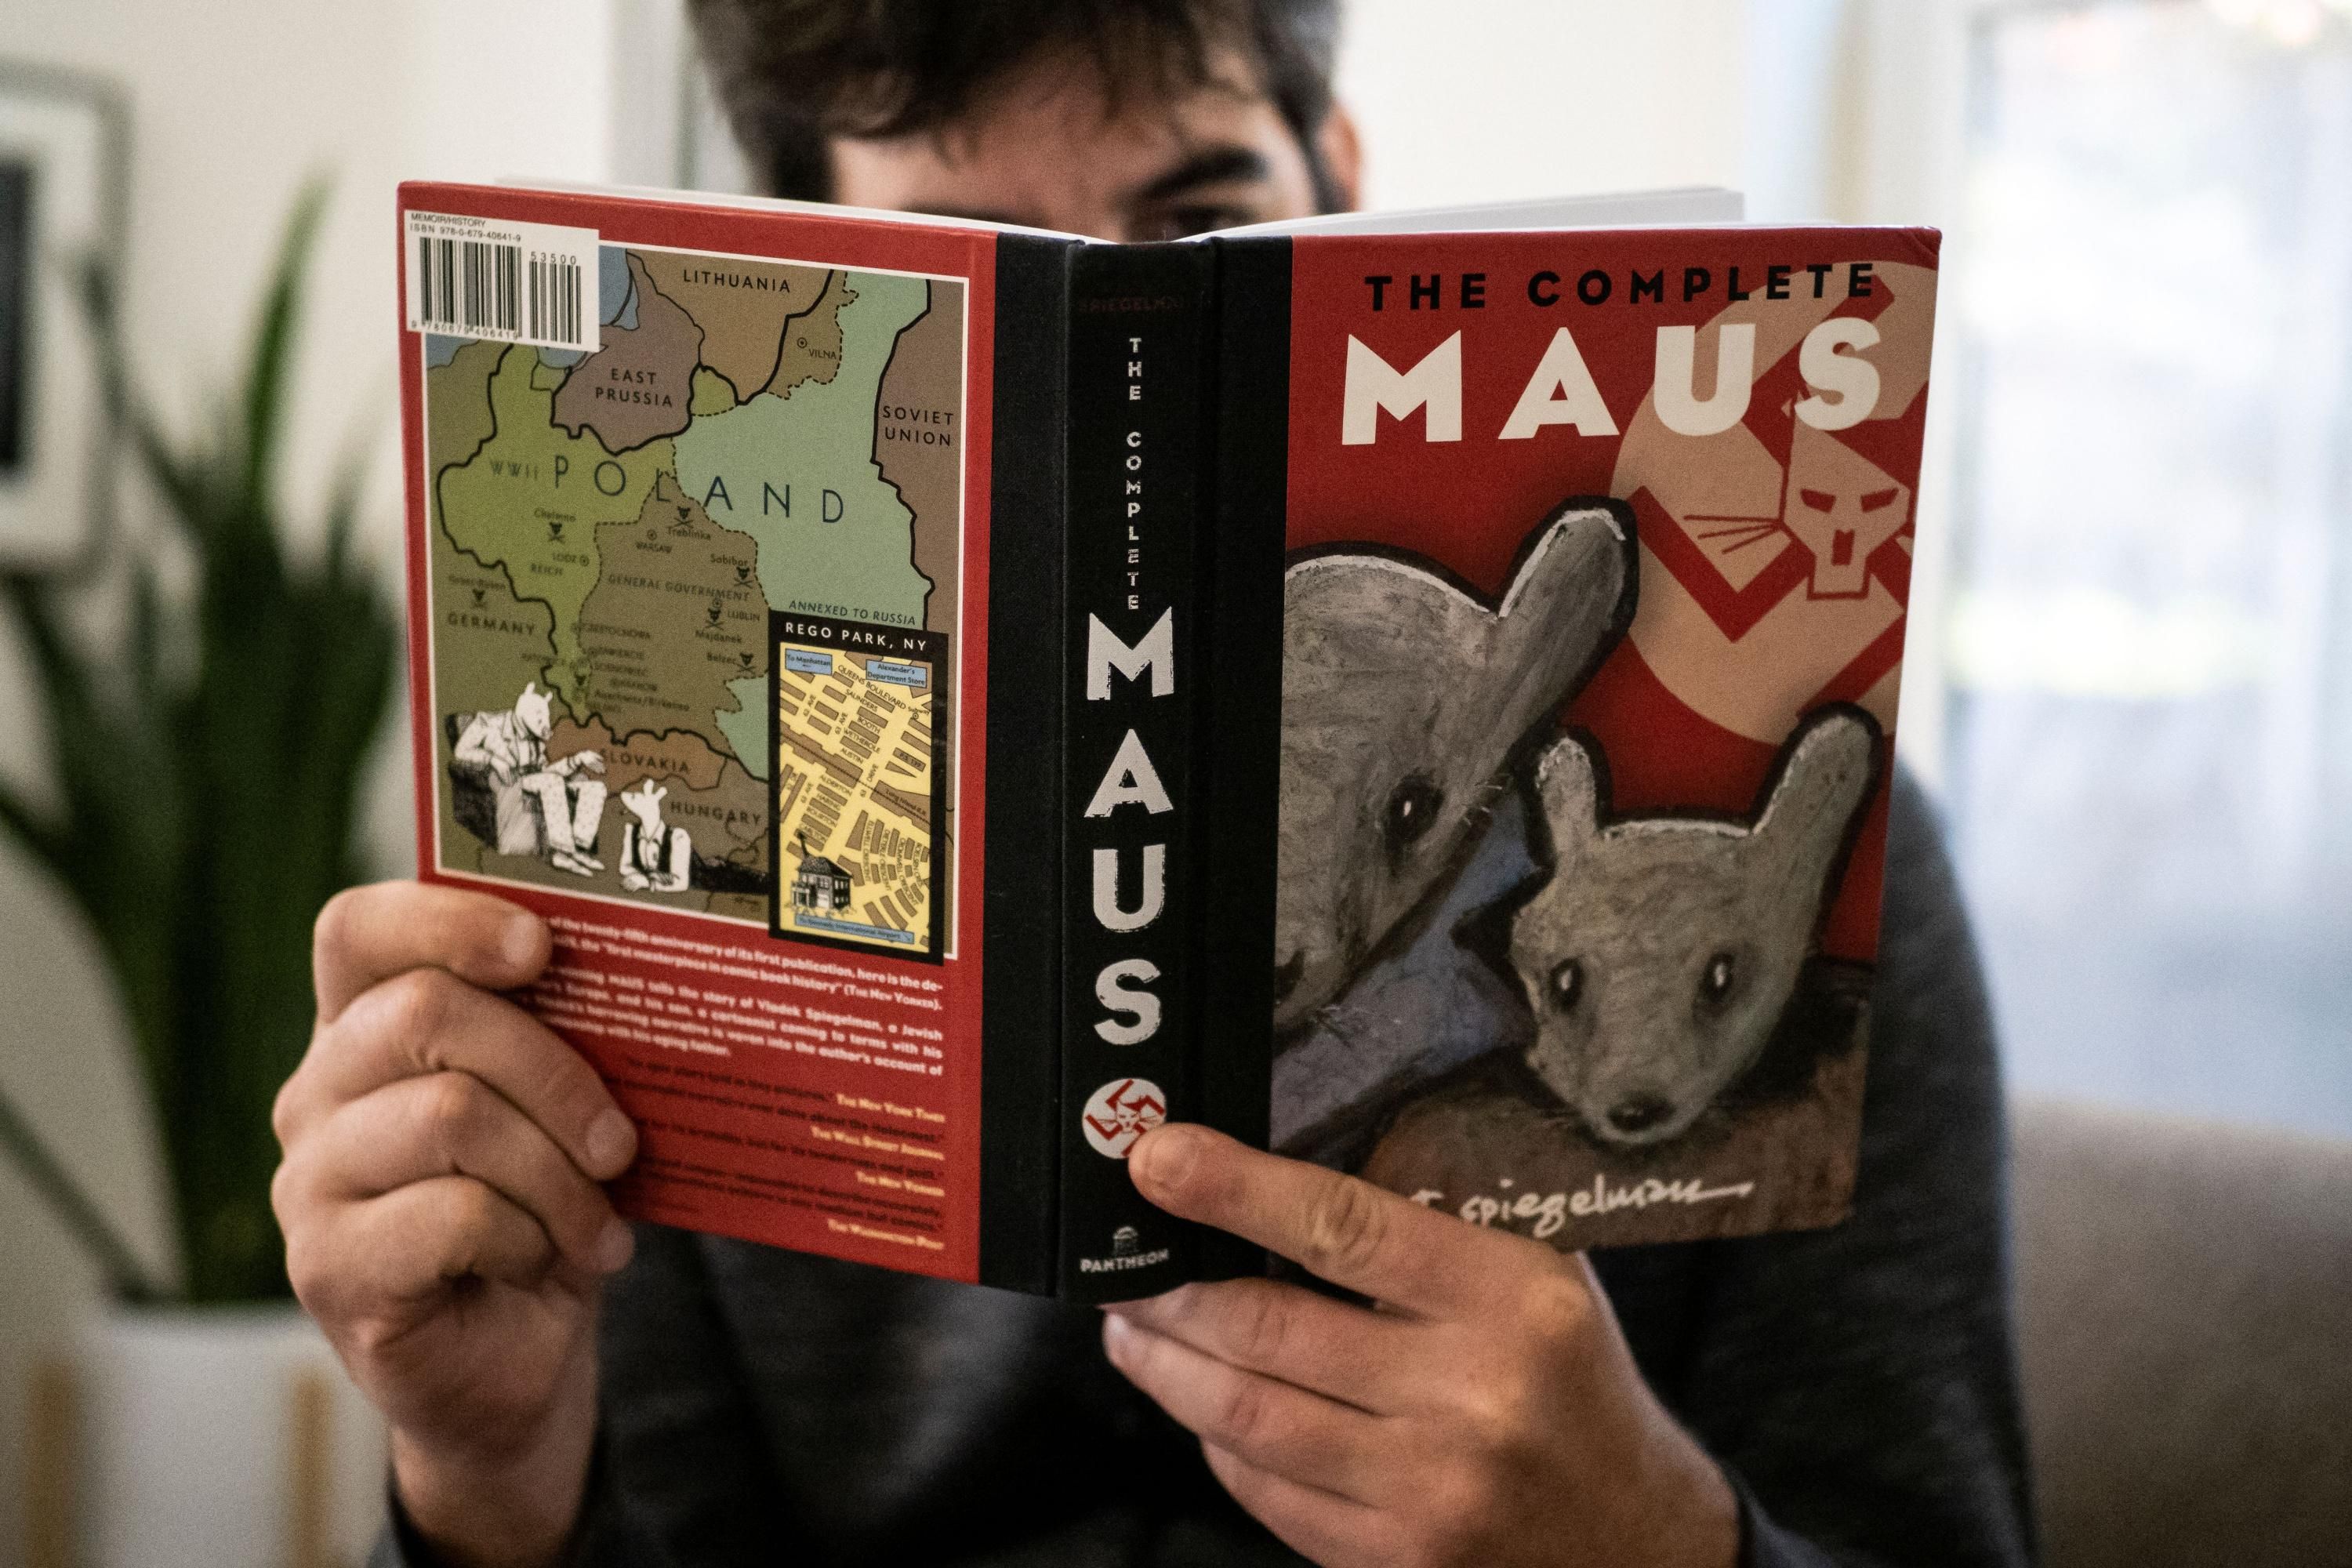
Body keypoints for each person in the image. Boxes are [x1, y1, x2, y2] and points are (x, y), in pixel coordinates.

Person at [271, 4, 2036, 1565]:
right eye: (978, 262)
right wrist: (488, 1482)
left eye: (1200, 228)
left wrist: (1647, 1540)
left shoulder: (1786, 886)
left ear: (1342, 188)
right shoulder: (693, 852)